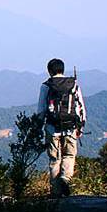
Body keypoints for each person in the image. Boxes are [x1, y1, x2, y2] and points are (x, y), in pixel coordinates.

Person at [37, 58, 86, 197]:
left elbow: (41, 110)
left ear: (49, 71)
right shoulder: (73, 84)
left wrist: (38, 128)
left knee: (54, 159)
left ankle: (55, 193)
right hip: (71, 128)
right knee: (69, 156)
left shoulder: (46, 86)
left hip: (52, 129)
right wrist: (80, 127)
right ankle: (65, 178)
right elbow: (80, 107)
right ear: (63, 70)